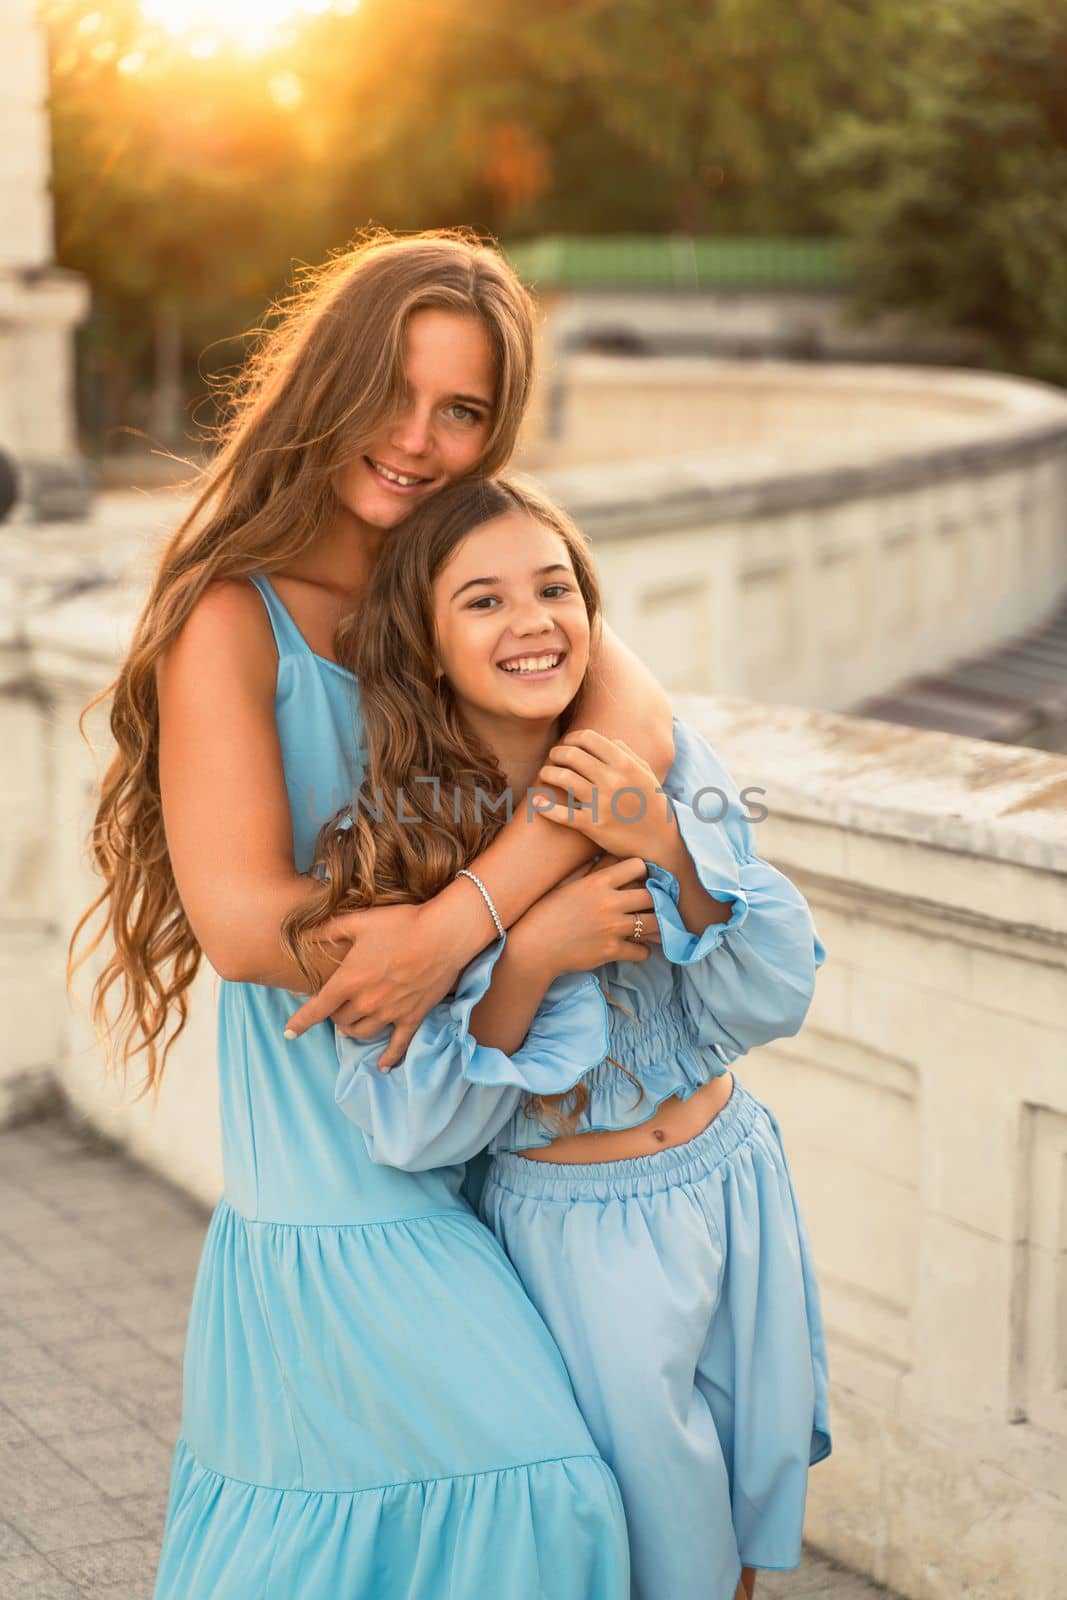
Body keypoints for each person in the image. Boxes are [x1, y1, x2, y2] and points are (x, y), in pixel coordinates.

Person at [71, 230, 680, 1598]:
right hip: (335, 1185)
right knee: (545, 1507)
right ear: (324, 386)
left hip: (486, 1146)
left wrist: (466, 923)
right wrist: (489, 924)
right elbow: (238, 926)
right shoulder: (229, 617)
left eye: (461, 409)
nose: (415, 441)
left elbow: (632, 717)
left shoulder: (467, 578)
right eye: (390, 393)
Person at [292, 475, 832, 1600]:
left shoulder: (656, 766)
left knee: (736, 1529)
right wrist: (530, 956)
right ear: (425, 644)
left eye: (554, 587)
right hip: (582, 1239)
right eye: (482, 601)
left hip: (733, 1180)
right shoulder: (390, 843)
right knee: (650, 1546)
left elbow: (770, 996)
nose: (533, 619)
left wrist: (667, 844)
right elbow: (417, 1124)